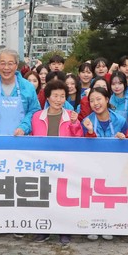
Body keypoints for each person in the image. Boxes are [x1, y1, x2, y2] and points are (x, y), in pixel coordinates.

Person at [30, 80, 81, 245]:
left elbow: (78, 139)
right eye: (55, 96)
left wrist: (75, 123)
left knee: (62, 197)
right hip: (43, 164)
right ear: (48, 97)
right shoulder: (37, 116)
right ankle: (43, 229)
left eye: (62, 96)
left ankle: (64, 230)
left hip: (64, 164)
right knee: (44, 196)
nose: (59, 100)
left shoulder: (71, 115)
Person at [81, 86, 126, 241]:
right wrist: (90, 132)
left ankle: (110, 224)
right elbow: (84, 146)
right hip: (93, 166)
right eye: (92, 100)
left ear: (107, 99)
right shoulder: (86, 121)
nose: (96, 103)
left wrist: (123, 138)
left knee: (110, 196)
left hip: (115, 166)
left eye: (99, 99)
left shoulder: (120, 120)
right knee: (93, 196)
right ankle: (92, 225)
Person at [0, 48, 40, 136]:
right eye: (2, 63)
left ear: (16, 66)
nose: (6, 68)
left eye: (10, 64)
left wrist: (24, 127)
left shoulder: (27, 87)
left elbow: (34, 111)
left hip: (20, 140)